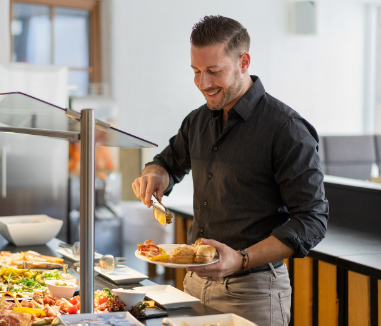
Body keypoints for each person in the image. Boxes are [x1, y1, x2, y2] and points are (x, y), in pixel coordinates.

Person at [132, 15, 328, 325]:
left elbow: (313, 219)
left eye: (213, 71)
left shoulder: (286, 128)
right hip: (194, 284)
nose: (203, 84)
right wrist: (155, 174)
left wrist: (241, 259)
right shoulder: (196, 121)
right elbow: (166, 163)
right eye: (196, 72)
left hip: (255, 291)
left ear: (244, 61)